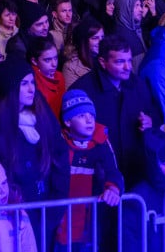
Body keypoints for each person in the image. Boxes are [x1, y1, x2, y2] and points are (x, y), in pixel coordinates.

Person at [0, 57, 69, 248]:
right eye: (24, 84)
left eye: (32, 83)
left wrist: (56, 205)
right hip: (16, 216)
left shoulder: (42, 115)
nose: (32, 89)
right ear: (10, 88)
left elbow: (59, 156)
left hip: (47, 207)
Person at [69, 36, 159, 187]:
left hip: (135, 170)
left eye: (129, 61)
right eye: (120, 62)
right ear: (103, 62)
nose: (127, 67)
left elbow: (154, 113)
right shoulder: (83, 91)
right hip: (99, 176)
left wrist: (151, 121)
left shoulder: (139, 85)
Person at [55, 90, 123, 251]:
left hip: (91, 219)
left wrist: (113, 189)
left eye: (91, 116)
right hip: (61, 218)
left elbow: (113, 171)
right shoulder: (58, 142)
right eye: (81, 116)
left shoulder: (101, 141)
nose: (89, 120)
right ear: (68, 121)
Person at [29, 35, 65, 119]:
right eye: (48, 60)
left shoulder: (59, 76)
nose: (54, 64)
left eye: (55, 58)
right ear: (34, 61)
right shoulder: (32, 81)